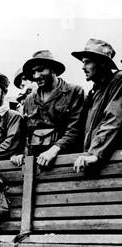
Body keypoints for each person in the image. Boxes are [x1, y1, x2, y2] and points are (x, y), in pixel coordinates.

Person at [11, 50, 85, 167]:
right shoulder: (30, 100)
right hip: (36, 164)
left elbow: (75, 129)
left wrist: (54, 149)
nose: (36, 76)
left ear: (53, 69)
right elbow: (26, 134)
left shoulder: (74, 92)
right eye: (33, 72)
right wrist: (21, 154)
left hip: (66, 161)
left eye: (40, 70)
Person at [71, 39, 122, 172]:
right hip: (96, 162)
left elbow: (114, 119)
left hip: (113, 162)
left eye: (87, 62)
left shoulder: (118, 81)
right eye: (83, 63)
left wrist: (95, 153)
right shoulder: (94, 92)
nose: (83, 67)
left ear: (103, 64)